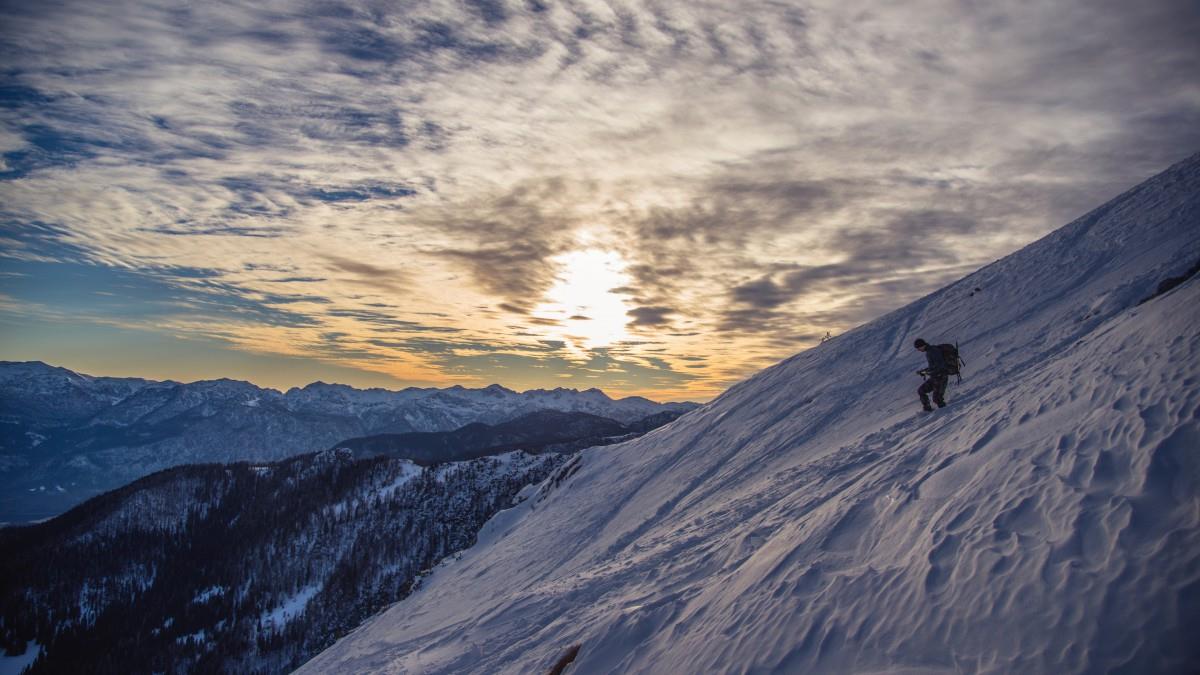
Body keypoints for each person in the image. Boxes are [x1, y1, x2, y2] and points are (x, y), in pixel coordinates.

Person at [914, 338, 948, 411]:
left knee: (937, 399)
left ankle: (946, 413)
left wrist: (928, 372)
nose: (918, 350)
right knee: (921, 390)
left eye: (918, 348)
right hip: (935, 378)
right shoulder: (929, 351)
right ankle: (927, 410)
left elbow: (940, 366)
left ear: (922, 345)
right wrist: (924, 371)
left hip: (941, 377)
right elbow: (933, 367)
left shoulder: (933, 351)